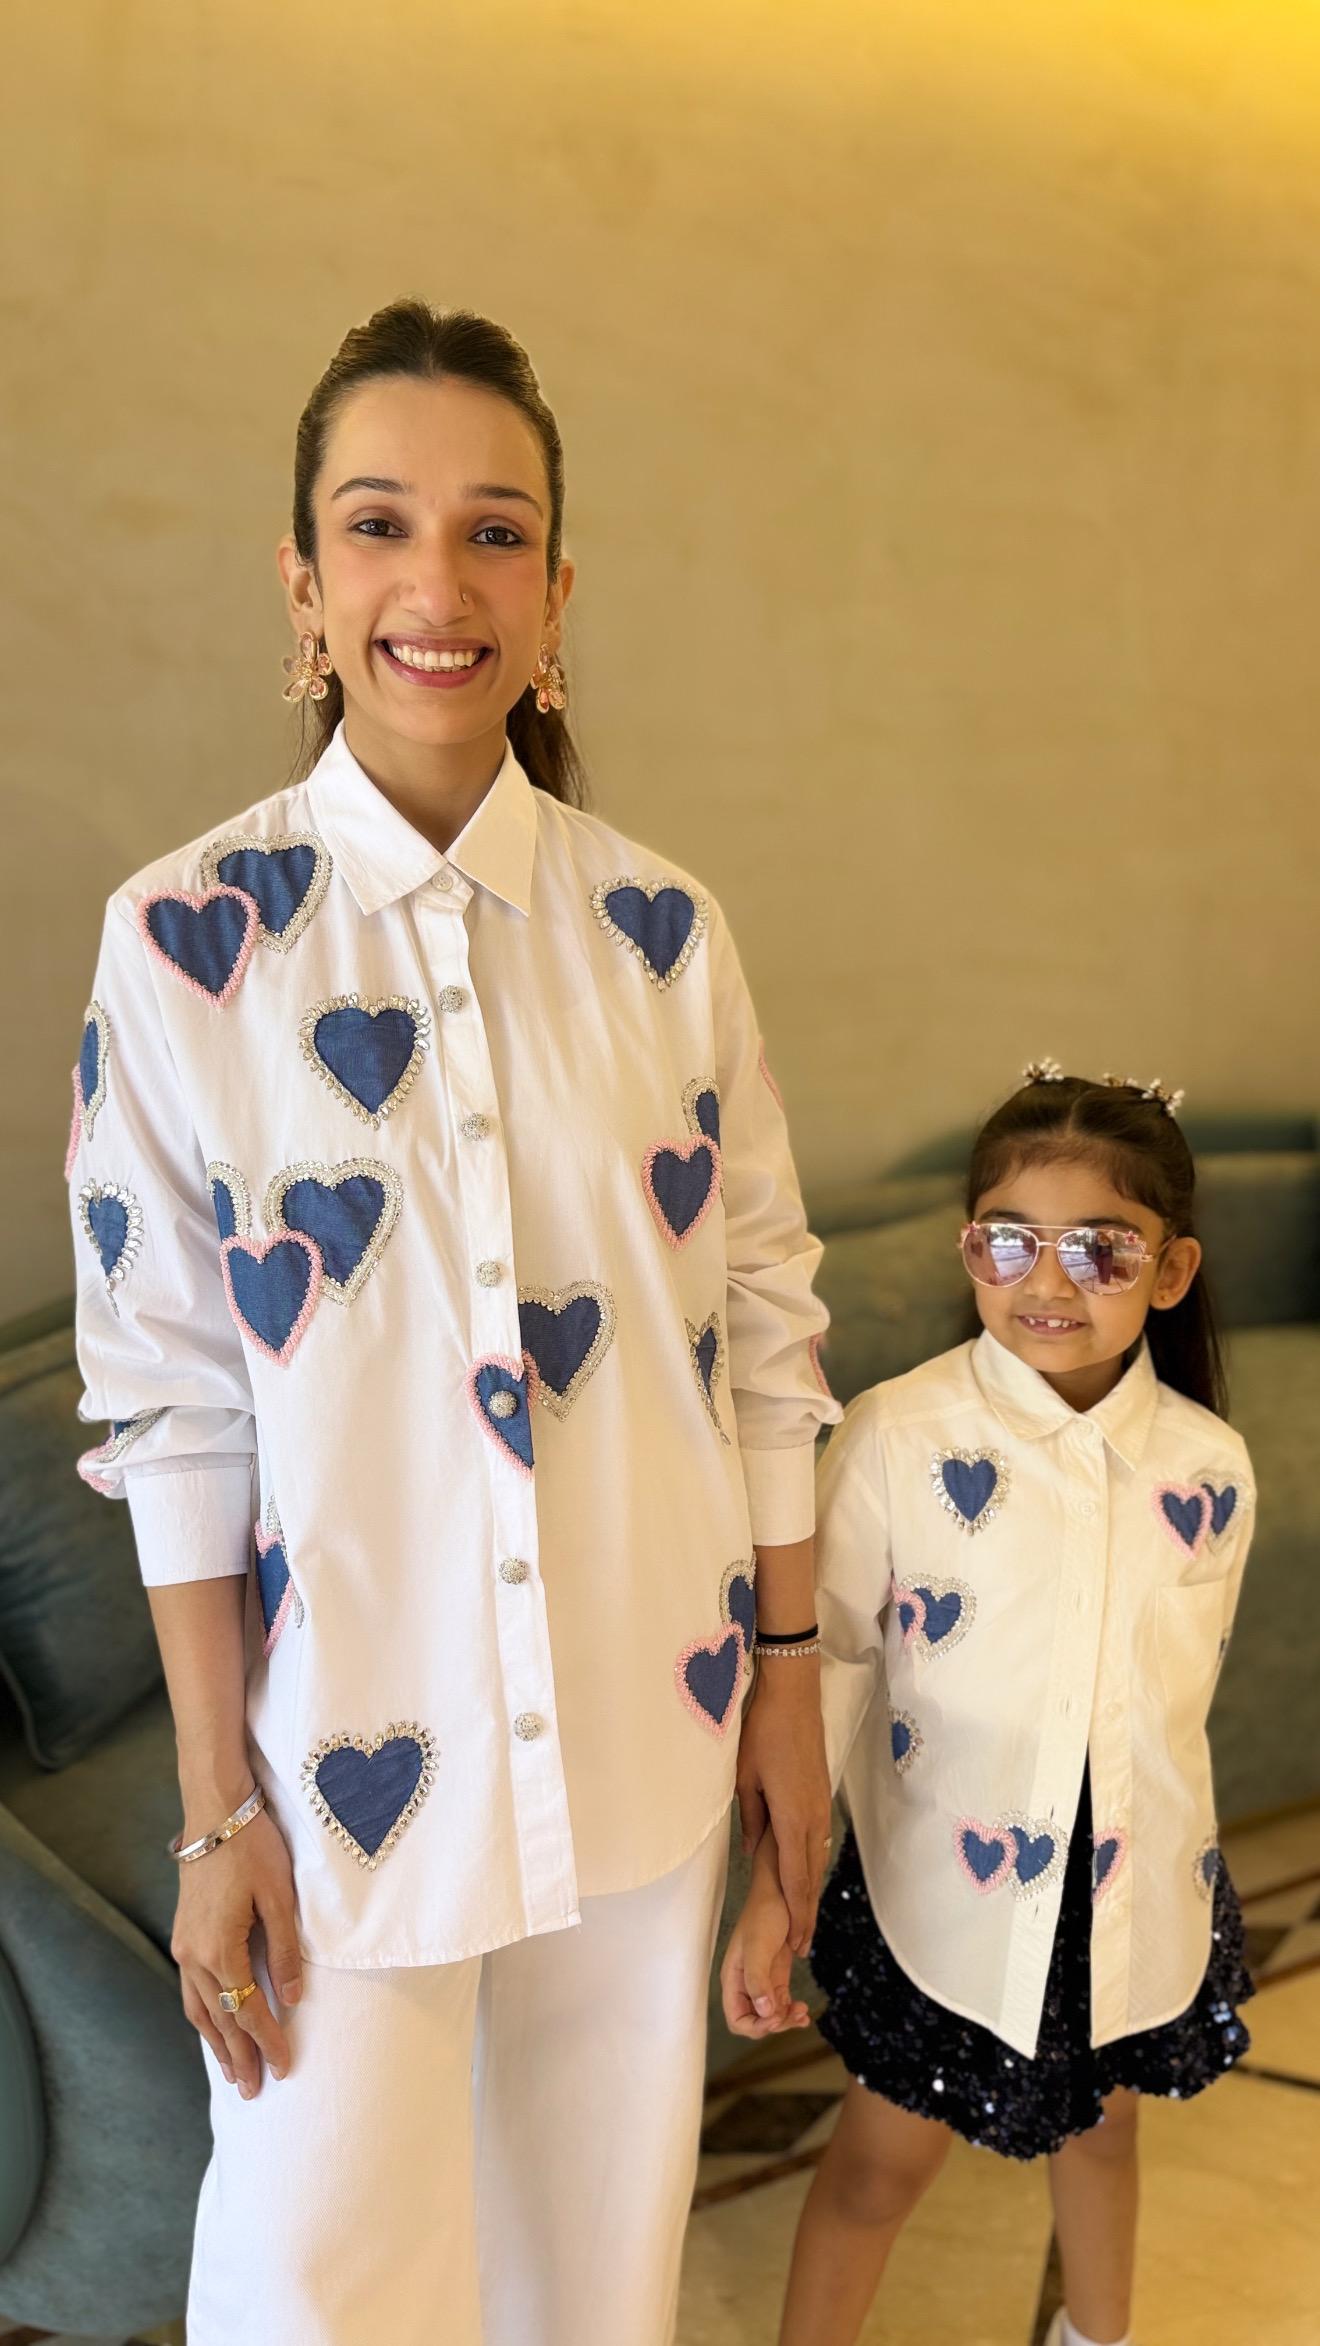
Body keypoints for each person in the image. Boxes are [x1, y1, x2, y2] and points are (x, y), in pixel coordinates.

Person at [66, 297, 841, 2346]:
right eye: (380, 524)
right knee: (314, 2282)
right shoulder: (183, 944)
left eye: (497, 532)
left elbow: (766, 1331)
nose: (440, 582)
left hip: (647, 1705)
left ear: (558, 594)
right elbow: (173, 1403)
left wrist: (786, 1693)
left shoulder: (662, 937)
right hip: (346, 1754)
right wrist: (218, 1804)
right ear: (303, 586)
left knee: (591, 2281)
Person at [723, 1063, 1255, 2346]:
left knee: (1105, 2132)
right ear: (973, 1248)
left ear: (1170, 1272)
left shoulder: (1211, 1467)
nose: (1049, 1282)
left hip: (1125, 1889)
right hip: (945, 1891)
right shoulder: (896, 1438)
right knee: (878, 2168)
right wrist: (779, 1888)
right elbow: (826, 1673)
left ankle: (1098, 2335)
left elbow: (1170, 1706)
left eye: (1101, 1249)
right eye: (1011, 1241)